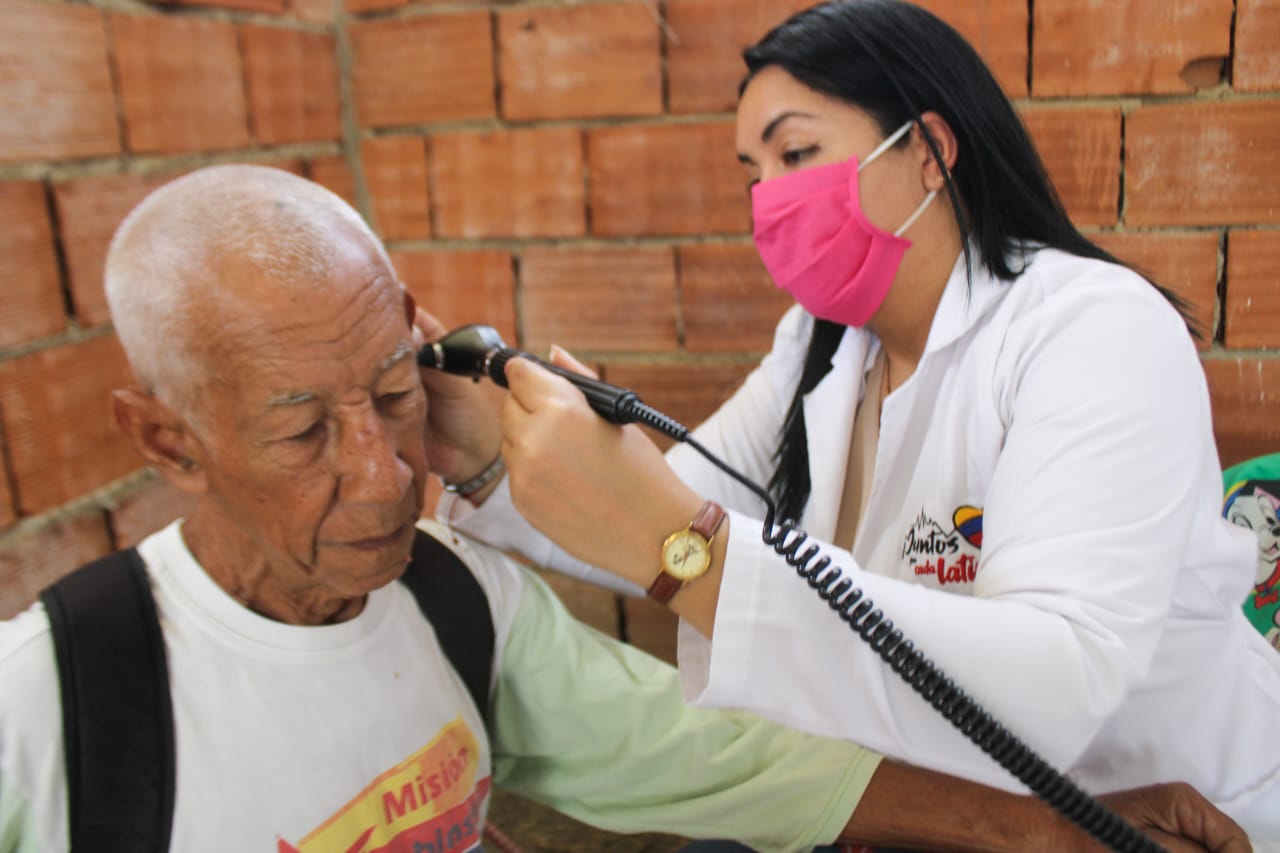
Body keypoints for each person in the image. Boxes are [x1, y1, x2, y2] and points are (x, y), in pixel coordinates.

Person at [0, 164, 1245, 853]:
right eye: (302, 431)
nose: (383, 472)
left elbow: (718, 755)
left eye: (390, 393)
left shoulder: (454, 600)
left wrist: (1052, 829)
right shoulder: (51, 709)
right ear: (166, 439)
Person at [423, 0, 1280, 845]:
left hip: (1163, 813)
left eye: (797, 153)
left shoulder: (1094, 330)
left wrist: (685, 551)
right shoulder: (822, 343)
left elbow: (1056, 686)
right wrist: (485, 460)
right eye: (754, 172)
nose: (770, 198)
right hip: (951, 813)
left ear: (930, 151)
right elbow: (649, 510)